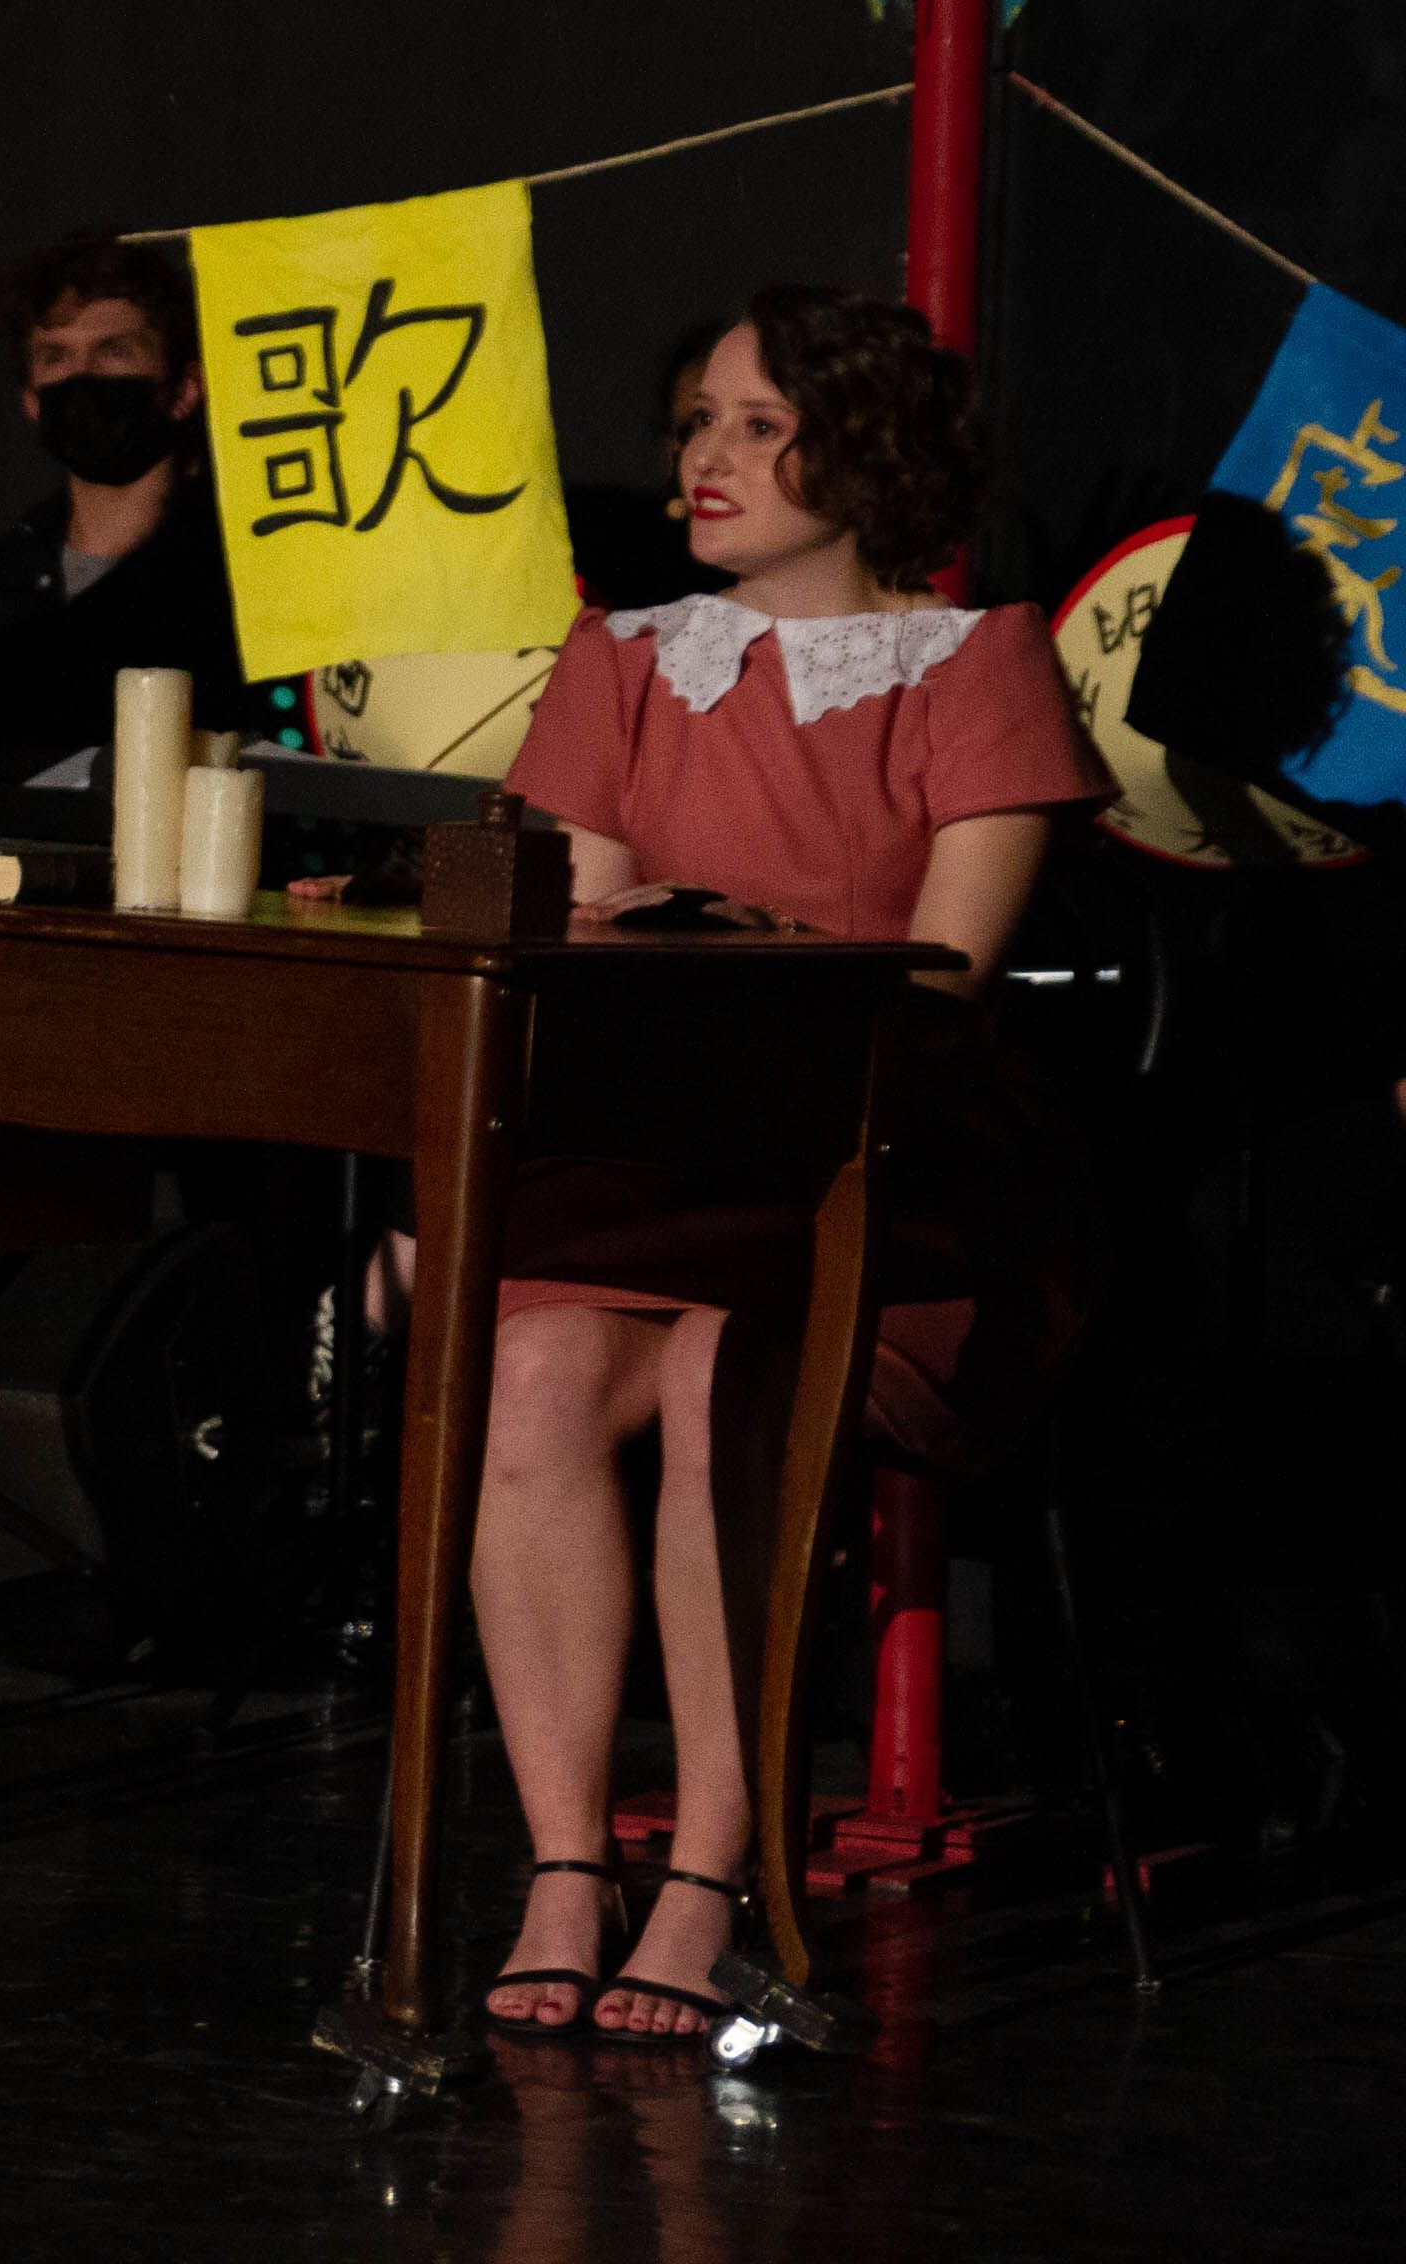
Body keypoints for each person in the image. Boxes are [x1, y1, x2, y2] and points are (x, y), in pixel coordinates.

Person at [435, 286, 1107, 2041]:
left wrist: (752, 944)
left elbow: (946, 985)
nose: (702, 460)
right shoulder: (622, 657)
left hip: (883, 1163)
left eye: (754, 424)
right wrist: (640, 934)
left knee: (727, 1366)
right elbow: (576, 931)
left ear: (862, 450)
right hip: (661, 1156)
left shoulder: (974, 659)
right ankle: (564, 1864)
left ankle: (711, 1876)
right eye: (693, 425)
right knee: (525, 1367)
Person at [0, 226, 254, 754]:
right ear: (32, 402)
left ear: (185, 390)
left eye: (113, 351)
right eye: (56, 358)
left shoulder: (242, 580)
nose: (82, 376)